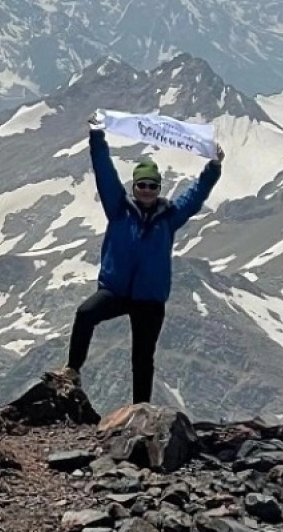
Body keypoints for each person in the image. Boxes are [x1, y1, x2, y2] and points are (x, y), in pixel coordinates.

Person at [56, 114, 224, 403]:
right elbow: (105, 173)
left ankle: (140, 409)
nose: (146, 190)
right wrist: (97, 137)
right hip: (116, 291)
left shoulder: (170, 216)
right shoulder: (119, 208)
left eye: (152, 186)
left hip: (149, 299)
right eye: (142, 185)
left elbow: (195, 196)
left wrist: (213, 168)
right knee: (85, 314)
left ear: (159, 189)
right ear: (134, 187)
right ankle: (72, 369)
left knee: (143, 358)